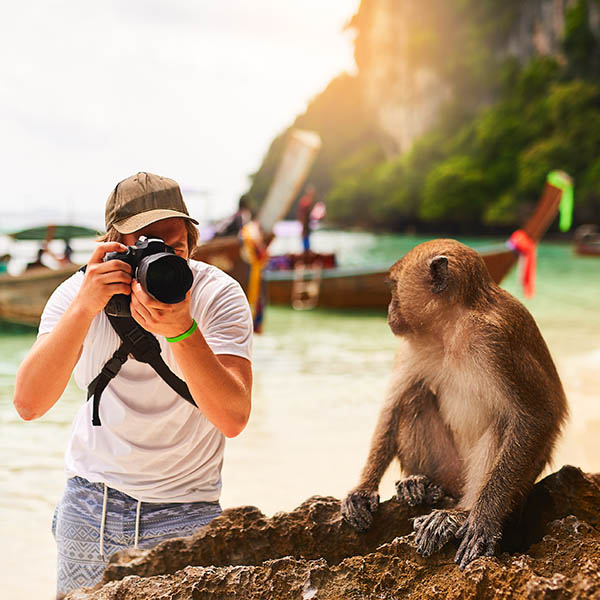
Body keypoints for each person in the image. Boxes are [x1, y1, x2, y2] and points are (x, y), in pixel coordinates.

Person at [13, 172, 253, 598]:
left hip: (188, 510)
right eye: (145, 245)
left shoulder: (216, 294)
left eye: (173, 247)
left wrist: (182, 331)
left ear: (191, 245)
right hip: (91, 505)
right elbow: (29, 404)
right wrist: (86, 307)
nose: (161, 258)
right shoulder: (78, 294)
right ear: (113, 246)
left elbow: (233, 417)